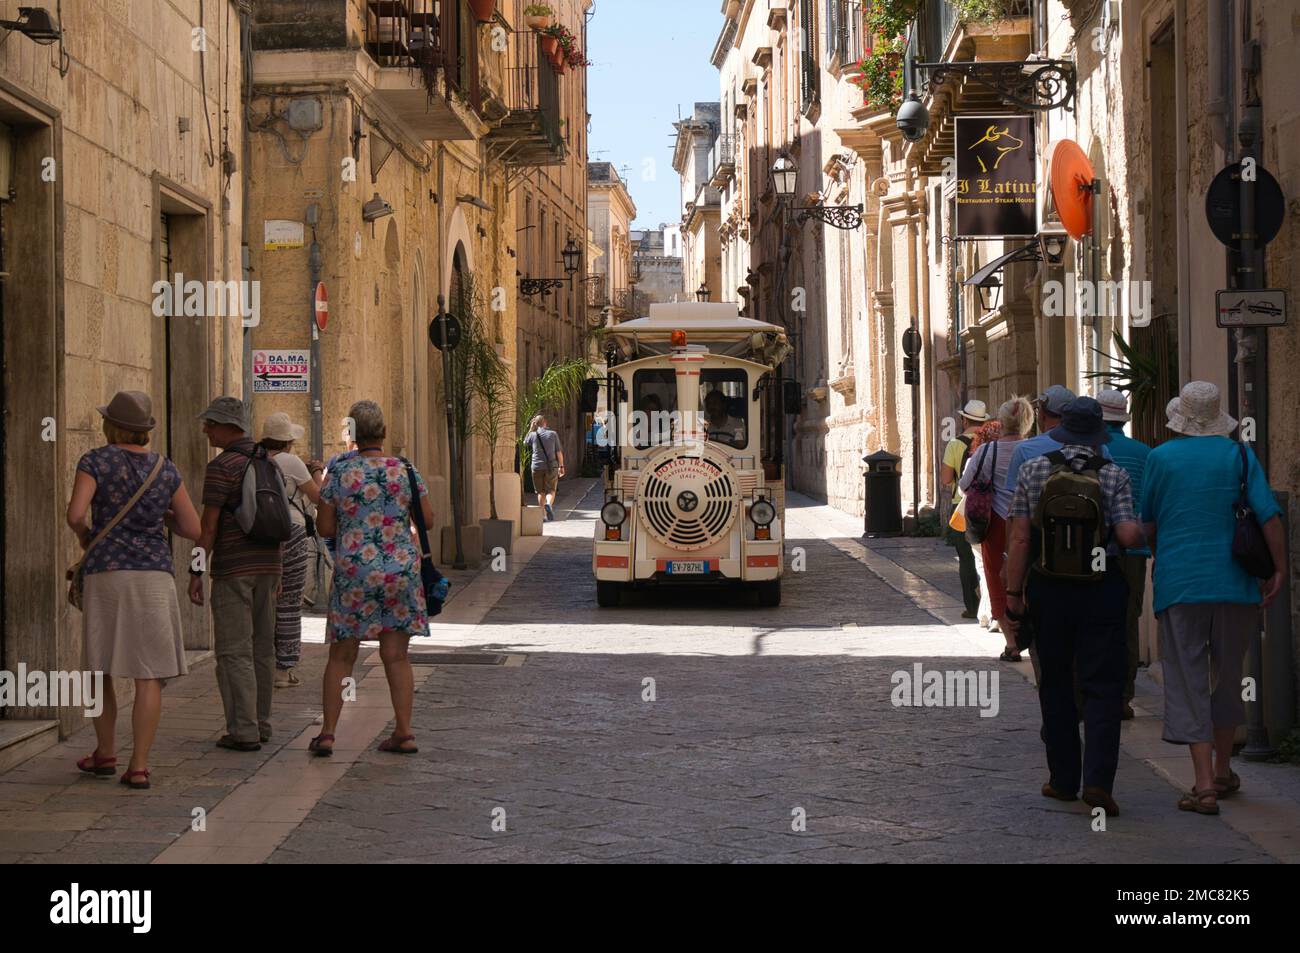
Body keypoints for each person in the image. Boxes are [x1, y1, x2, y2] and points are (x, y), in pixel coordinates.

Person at [1140, 382, 1285, 816]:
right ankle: (1223, 770)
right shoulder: (1239, 455)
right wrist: (1280, 569)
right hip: (1236, 584)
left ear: (1180, 419)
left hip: (1180, 584)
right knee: (1226, 678)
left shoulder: (1160, 458)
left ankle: (1203, 785)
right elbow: (1269, 515)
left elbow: (1148, 524)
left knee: (1187, 679)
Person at [1004, 397, 1144, 818]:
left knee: (1057, 682)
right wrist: (1143, 527)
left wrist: (1013, 595)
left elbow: (1021, 538)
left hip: (1050, 588)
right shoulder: (1114, 474)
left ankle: (1064, 780)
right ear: (1099, 435)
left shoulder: (1033, 469)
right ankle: (1099, 782)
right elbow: (1126, 536)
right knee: (1103, 685)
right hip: (1101, 588)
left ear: (1060, 430)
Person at [66, 391, 202, 790]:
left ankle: (104, 751)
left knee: (99, 666)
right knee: (149, 674)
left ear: (111, 425)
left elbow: (75, 514)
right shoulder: (165, 469)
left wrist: (87, 536)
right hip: (154, 577)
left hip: (108, 573)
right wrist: (164, 519)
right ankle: (139, 765)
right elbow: (193, 529)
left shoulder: (95, 460)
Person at [310, 401, 433, 757]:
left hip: (354, 572)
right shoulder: (405, 470)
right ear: (382, 432)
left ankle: (329, 733)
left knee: (342, 655)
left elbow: (325, 527)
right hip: (400, 572)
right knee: (396, 656)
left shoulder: (340, 475)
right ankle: (405, 732)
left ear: (353, 434)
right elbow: (428, 520)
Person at [189, 396, 283, 752]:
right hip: (269, 567)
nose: (206, 429)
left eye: (211, 423)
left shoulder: (222, 466)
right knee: (262, 648)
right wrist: (280, 571)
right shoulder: (269, 463)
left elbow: (208, 526)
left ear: (230, 426)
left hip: (234, 569)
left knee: (233, 650)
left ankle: (243, 731)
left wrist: (196, 570)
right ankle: (261, 723)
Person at [960, 396, 1035, 659]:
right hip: (1028, 522)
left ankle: (1012, 642)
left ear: (1001, 421)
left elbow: (965, 485)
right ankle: (1029, 630)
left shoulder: (986, 452)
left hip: (994, 523)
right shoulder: (1033, 450)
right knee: (1026, 576)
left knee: (995, 580)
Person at [1096, 389, 1152, 720]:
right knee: (1128, 620)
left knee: (1096, 618)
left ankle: (1097, 688)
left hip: (1098, 547)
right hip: (1135, 548)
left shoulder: (1093, 451)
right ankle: (1124, 696)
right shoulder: (1145, 453)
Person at [260, 412, 323, 688]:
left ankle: (262, 662)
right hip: (291, 532)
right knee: (289, 600)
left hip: (261, 535)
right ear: (288, 441)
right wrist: (317, 472)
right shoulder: (291, 461)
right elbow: (318, 496)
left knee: (266, 599)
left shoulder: (258, 460)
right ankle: (283, 669)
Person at [940, 400, 989, 619]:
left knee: (966, 559)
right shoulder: (989, 443)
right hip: (988, 506)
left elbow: (945, 478)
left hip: (961, 507)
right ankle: (990, 604)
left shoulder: (954, 444)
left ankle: (972, 606)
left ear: (964, 420)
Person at [525, 415, 565, 521]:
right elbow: (558, 452)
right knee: (551, 489)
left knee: (540, 491)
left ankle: (543, 515)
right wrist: (561, 466)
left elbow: (525, 442)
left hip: (536, 466)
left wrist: (531, 428)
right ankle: (548, 504)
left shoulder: (533, 435)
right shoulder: (553, 434)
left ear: (535, 424)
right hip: (551, 466)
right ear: (545, 422)